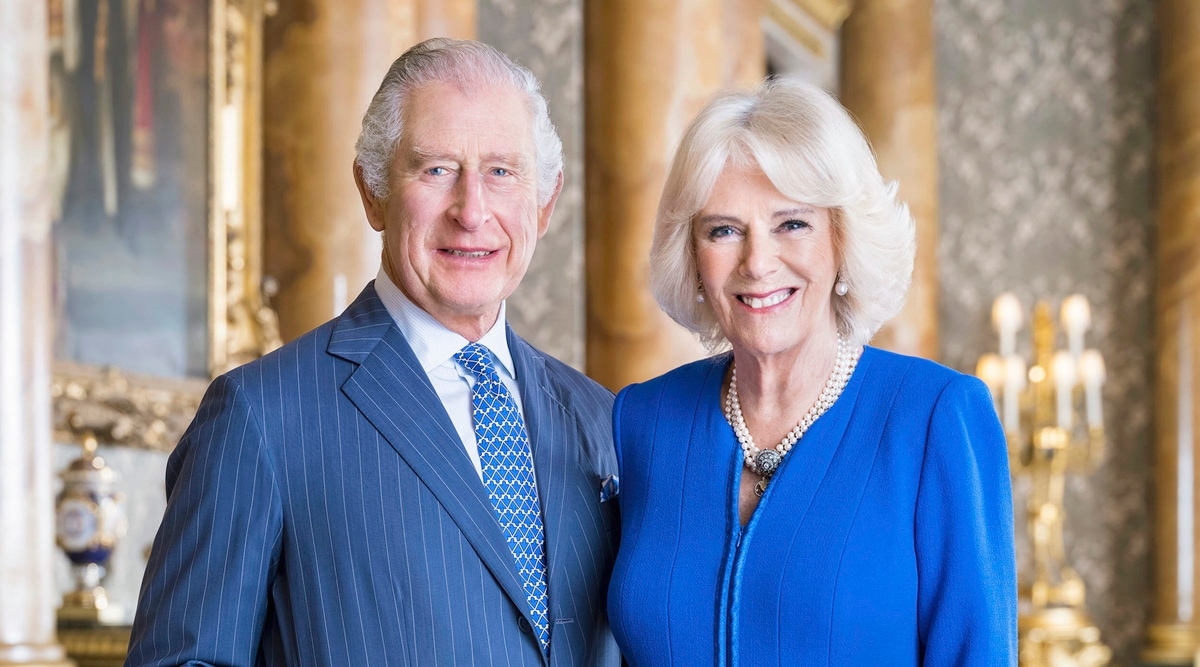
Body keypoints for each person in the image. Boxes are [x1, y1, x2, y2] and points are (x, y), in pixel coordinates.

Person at [127, 38, 621, 666]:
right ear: (372, 192)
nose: (472, 211)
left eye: (502, 171)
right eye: (436, 170)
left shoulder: (601, 419)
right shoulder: (260, 415)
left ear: (544, 204)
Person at [607, 78, 1017, 665]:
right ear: (693, 256)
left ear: (841, 239)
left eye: (791, 224)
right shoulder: (642, 421)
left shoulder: (934, 419)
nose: (757, 262)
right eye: (724, 230)